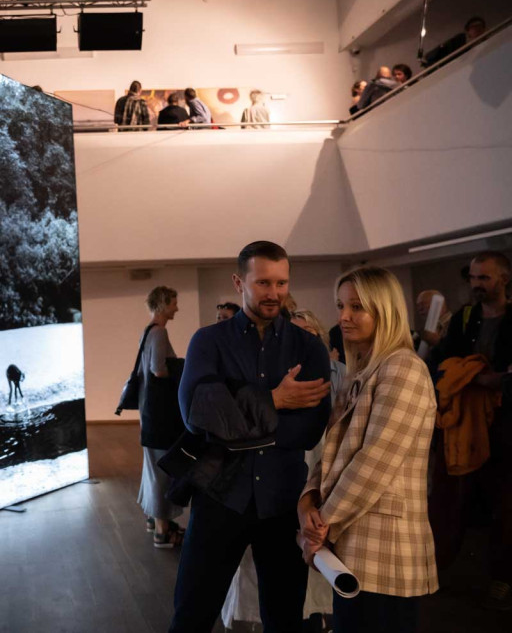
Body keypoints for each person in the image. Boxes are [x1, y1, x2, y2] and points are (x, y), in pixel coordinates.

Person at [170, 241, 332, 633]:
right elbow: (199, 417)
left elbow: (309, 430)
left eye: (281, 283)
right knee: (192, 614)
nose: (274, 293)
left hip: (281, 501)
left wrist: (234, 414)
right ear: (239, 281)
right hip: (220, 496)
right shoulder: (207, 341)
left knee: (284, 619)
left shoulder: (308, 347)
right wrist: (276, 399)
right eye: (263, 283)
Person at [299, 266, 438, 633]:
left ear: (385, 310)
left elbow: (374, 461)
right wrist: (308, 502)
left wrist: (321, 524)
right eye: (341, 305)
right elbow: (331, 451)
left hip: (387, 550)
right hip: (354, 543)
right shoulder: (361, 372)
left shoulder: (404, 368)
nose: (343, 316)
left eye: (357, 307)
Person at [432, 251, 512, 609]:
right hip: (463, 424)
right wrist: (478, 377)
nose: (477, 285)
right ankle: (438, 571)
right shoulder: (465, 318)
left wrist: (494, 382)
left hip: (505, 426)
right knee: (452, 502)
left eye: (485, 278)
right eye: (474, 278)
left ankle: (502, 578)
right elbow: (444, 364)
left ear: (504, 279)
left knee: (505, 505)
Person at [136, 286, 187, 548]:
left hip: (149, 412)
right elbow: (158, 370)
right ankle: (162, 531)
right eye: (174, 303)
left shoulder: (148, 331)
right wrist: (179, 376)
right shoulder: (159, 331)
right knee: (160, 472)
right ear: (163, 304)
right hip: (158, 414)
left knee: (153, 469)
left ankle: (153, 519)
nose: (177, 308)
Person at [422, 16, 486, 67]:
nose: (478, 29)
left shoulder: (486, 42)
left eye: (481, 27)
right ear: (468, 30)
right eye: (475, 27)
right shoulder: (460, 39)